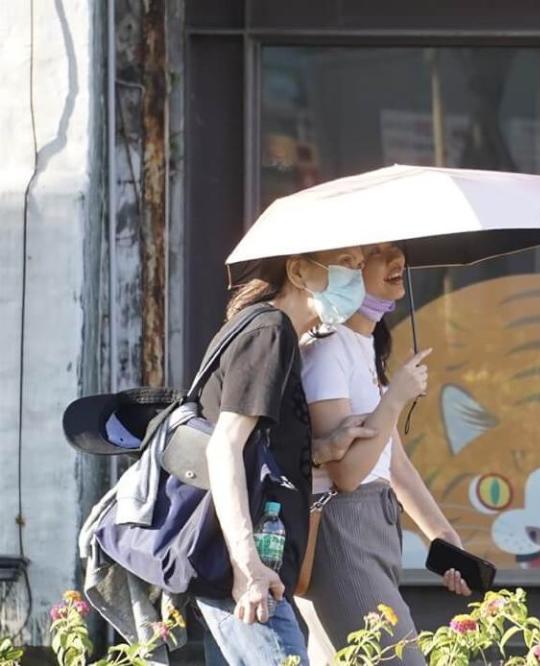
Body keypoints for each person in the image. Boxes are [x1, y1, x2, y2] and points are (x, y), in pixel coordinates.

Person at [195, 245, 373, 666]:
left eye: (361, 266)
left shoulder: (276, 335)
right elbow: (225, 445)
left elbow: (260, 452)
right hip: (248, 577)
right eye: (346, 263)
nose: (357, 277)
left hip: (247, 573)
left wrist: (321, 450)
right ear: (297, 271)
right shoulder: (269, 332)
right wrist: (248, 566)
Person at [298, 242, 470, 665]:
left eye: (399, 252)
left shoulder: (363, 344)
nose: (398, 262)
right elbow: (345, 475)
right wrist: (395, 399)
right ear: (349, 270)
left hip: (376, 524)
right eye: (377, 253)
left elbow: (392, 460)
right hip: (341, 525)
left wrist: (443, 536)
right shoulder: (326, 349)